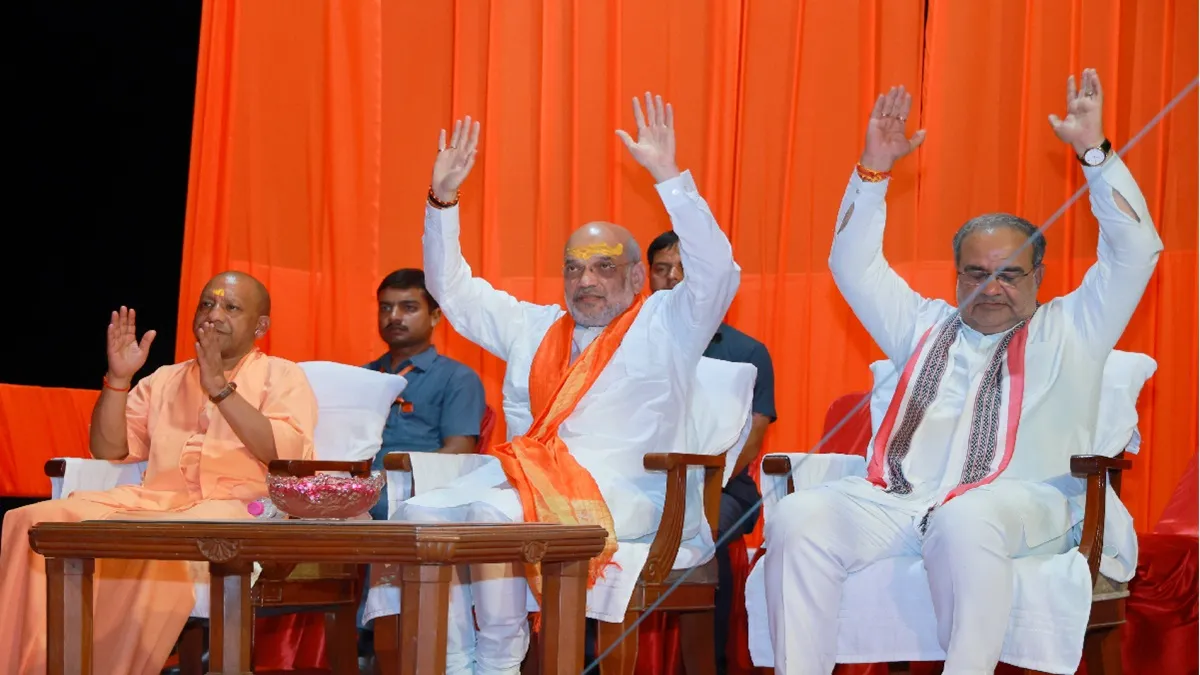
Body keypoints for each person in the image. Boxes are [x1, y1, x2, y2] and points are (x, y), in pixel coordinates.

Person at [762, 69, 1161, 674]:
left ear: (1038, 278)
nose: (991, 288)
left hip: (1029, 503)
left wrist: (1095, 156)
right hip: (902, 503)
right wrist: (874, 171)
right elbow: (851, 264)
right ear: (956, 277)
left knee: (965, 515)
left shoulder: (1076, 325)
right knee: (798, 514)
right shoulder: (920, 325)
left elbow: (1135, 251)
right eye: (976, 273)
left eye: (1009, 274)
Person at [363, 92, 740, 674]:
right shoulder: (535, 326)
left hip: (627, 495)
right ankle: (457, 664)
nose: (584, 280)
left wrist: (668, 175)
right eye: (573, 266)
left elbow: (718, 270)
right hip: (525, 485)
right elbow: (455, 292)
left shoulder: (669, 324)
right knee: (417, 515)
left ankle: (499, 660)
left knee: (492, 517)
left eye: (603, 265)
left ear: (638, 276)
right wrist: (442, 201)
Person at [0, 272, 317, 675]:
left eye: (230, 307)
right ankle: (22, 665)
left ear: (260, 326)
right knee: (34, 520)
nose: (214, 314)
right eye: (207, 304)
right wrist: (118, 380)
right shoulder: (165, 378)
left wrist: (220, 387)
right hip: (157, 502)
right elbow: (109, 449)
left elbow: (282, 455)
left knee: (156, 539)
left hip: (240, 509)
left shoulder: (283, 375)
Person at [647, 229, 776, 673]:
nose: (673, 279)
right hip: (643, 480)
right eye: (661, 269)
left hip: (721, 487)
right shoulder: (631, 341)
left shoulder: (746, 351)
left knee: (704, 525)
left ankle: (709, 664)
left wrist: (696, 486)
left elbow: (752, 438)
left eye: (685, 270)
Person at [356, 268, 486, 663]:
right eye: (386, 308)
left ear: (434, 316)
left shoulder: (458, 379)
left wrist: (389, 480)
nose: (394, 316)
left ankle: (374, 641)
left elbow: (460, 453)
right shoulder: (362, 376)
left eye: (408, 307)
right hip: (357, 491)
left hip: (419, 491)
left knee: (382, 509)